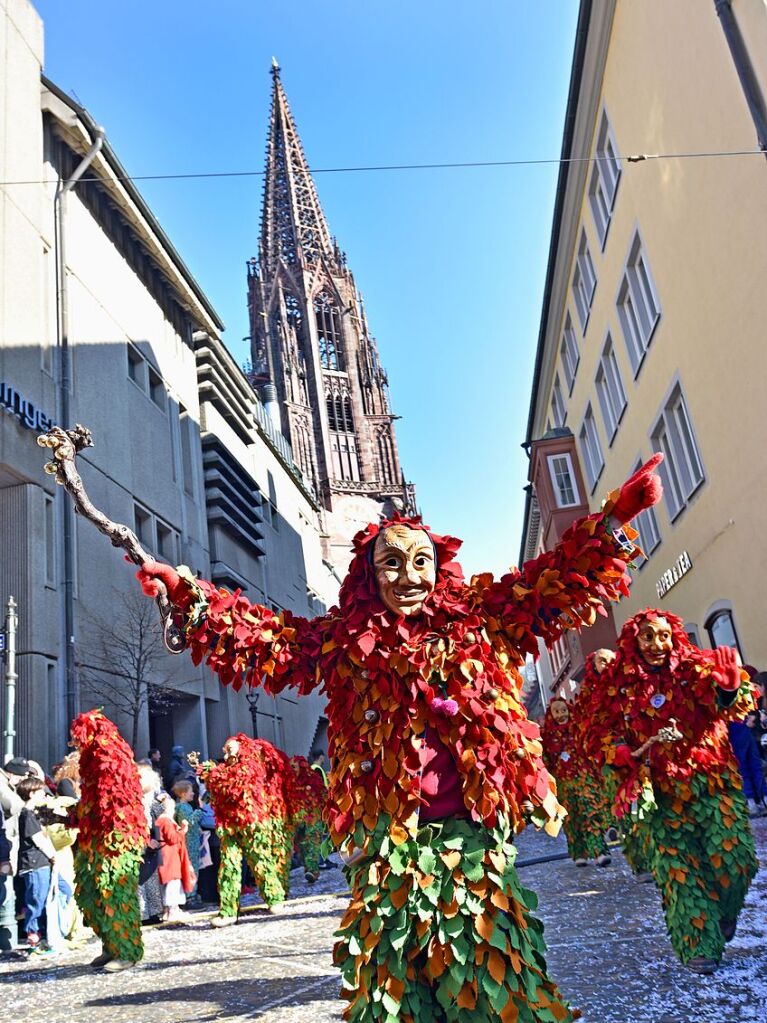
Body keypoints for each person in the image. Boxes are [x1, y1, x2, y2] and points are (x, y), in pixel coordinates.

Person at [136, 456, 663, 1020]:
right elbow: (270, 640)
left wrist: (614, 520)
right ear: (368, 573)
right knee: (393, 996)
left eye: (420, 562)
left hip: (470, 841)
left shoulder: (478, 623)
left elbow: (546, 589)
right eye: (391, 563)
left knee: (492, 985)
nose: (409, 577)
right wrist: (187, 596)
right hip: (387, 843)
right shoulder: (344, 643)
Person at [591, 610, 758, 974]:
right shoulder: (616, 684)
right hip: (659, 792)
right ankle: (700, 944)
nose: (657, 645)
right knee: (677, 870)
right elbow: (601, 730)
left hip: (711, 779)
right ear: (634, 642)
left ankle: (724, 911)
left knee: (736, 860)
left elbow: (731, 705)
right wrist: (618, 749)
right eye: (648, 637)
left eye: (663, 635)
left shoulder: (694, 667)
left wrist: (729, 691)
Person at [71, 709, 147, 972]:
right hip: (93, 838)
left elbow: (118, 803)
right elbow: (92, 805)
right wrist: (72, 814)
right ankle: (111, 945)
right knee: (90, 892)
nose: (77, 742)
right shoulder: (90, 766)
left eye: (81, 736)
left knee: (115, 891)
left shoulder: (111, 757)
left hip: (118, 838)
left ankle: (127, 950)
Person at [192, 735, 296, 925]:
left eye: (232, 747)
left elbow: (237, 783)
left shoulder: (250, 767)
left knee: (260, 860)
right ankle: (228, 911)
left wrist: (213, 773)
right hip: (228, 825)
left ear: (241, 748)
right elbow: (215, 790)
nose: (227, 751)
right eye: (226, 748)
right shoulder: (222, 770)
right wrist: (206, 771)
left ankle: (274, 898)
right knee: (228, 866)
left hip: (252, 823)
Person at [541, 697, 612, 867]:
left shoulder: (578, 730)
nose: (561, 715)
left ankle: (599, 850)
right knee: (571, 819)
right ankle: (579, 852)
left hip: (583, 777)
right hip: (563, 783)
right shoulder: (547, 736)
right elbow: (546, 761)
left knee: (590, 812)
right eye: (556, 712)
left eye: (563, 710)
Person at [16, 776, 57, 948]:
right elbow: (37, 838)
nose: (43, 794)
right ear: (31, 794)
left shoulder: (32, 813)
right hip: (34, 863)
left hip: (39, 863)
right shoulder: (27, 814)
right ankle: (33, 934)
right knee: (36, 898)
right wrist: (52, 854)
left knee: (41, 896)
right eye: (40, 791)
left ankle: (38, 933)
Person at [156, 796, 195, 923]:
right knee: (173, 881)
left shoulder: (162, 820)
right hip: (169, 855)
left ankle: (168, 911)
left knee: (169, 882)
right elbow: (172, 838)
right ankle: (172, 910)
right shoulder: (165, 821)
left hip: (167, 854)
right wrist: (183, 831)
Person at [172, 780, 203, 904]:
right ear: (183, 794)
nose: (193, 793)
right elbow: (188, 822)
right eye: (191, 791)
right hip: (190, 843)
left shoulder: (184, 806)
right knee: (192, 867)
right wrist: (199, 810)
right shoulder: (183, 807)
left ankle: (192, 893)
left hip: (192, 841)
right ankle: (190, 895)